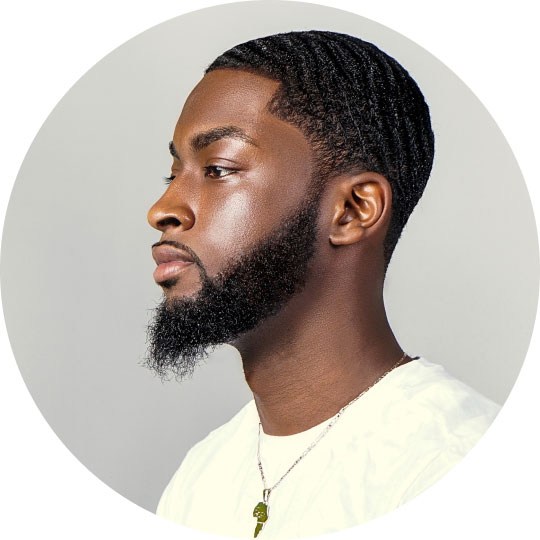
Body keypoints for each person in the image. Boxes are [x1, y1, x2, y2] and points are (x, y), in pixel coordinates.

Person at [145, 30, 499, 539]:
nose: (162, 210)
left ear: (353, 210)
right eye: (173, 174)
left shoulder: (457, 470)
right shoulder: (200, 478)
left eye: (217, 169)